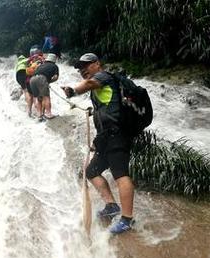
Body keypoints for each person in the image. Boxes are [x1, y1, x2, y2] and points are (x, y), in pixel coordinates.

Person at [62, 53, 135, 234]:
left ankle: (127, 219)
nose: (82, 70)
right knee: (92, 171)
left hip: (117, 135)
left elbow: (88, 84)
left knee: (120, 174)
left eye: (86, 65)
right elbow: (105, 107)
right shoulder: (99, 88)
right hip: (105, 138)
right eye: (80, 68)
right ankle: (111, 206)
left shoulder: (103, 77)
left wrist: (72, 91)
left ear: (97, 64)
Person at [29, 52, 59, 121]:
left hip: (32, 79)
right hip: (42, 78)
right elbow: (56, 77)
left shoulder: (41, 65)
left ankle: (39, 115)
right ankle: (48, 114)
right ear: (54, 60)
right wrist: (48, 81)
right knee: (46, 97)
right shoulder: (54, 66)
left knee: (38, 98)